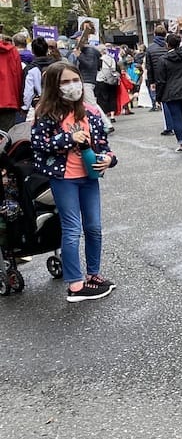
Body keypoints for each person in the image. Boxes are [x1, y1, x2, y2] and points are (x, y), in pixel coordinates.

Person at [30, 62, 117, 302]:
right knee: (71, 229)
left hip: (90, 177)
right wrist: (67, 138)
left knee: (94, 227)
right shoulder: (46, 113)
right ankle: (76, 285)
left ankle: (94, 274)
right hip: (64, 179)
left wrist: (109, 159)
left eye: (74, 80)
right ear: (54, 87)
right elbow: (39, 146)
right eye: (65, 82)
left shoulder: (90, 111)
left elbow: (104, 147)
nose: (72, 86)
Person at [154, 33, 182, 152]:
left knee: (176, 119)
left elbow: (161, 80)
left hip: (171, 92)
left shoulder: (163, 60)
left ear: (167, 44)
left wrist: (158, 97)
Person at [22, 36, 53, 119]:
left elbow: (28, 91)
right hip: (55, 104)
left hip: (38, 105)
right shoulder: (56, 65)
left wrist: (26, 107)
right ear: (47, 50)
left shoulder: (30, 69)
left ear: (32, 51)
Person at [0, 33, 22, 131]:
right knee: (6, 139)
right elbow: (18, 77)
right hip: (8, 101)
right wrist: (19, 102)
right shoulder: (13, 51)